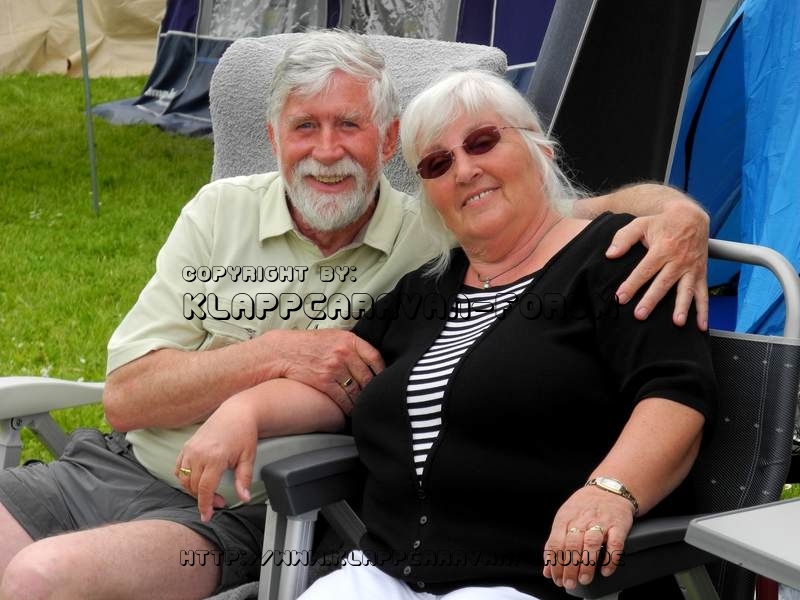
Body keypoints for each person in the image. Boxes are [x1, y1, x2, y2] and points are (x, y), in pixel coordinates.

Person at [0, 31, 709, 600]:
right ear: (274, 138)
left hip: (249, 512)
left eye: (349, 124)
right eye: (304, 127)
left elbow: (547, 215)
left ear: (386, 141)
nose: (327, 150)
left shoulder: (438, 244)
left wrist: (680, 214)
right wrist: (260, 377)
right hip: (122, 469)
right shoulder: (249, 222)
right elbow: (129, 397)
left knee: (35, 578)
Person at [177, 68, 716, 600]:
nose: (465, 169)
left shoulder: (616, 257)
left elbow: (674, 392)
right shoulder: (426, 290)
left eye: (482, 142)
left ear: (540, 151)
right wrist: (244, 410)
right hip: (386, 574)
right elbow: (342, 381)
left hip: (541, 580)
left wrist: (611, 491)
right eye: (438, 163)